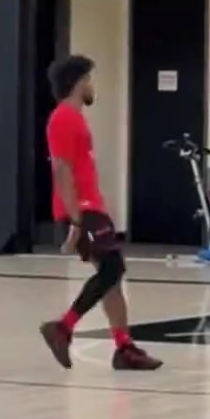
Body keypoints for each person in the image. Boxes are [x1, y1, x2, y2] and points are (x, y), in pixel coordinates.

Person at [38, 54, 161, 372]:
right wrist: (76, 221)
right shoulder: (63, 118)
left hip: (92, 208)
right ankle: (63, 327)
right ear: (78, 82)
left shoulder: (75, 118)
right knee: (112, 269)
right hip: (83, 211)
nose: (92, 86)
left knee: (112, 278)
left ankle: (124, 349)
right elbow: (62, 171)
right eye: (89, 80)